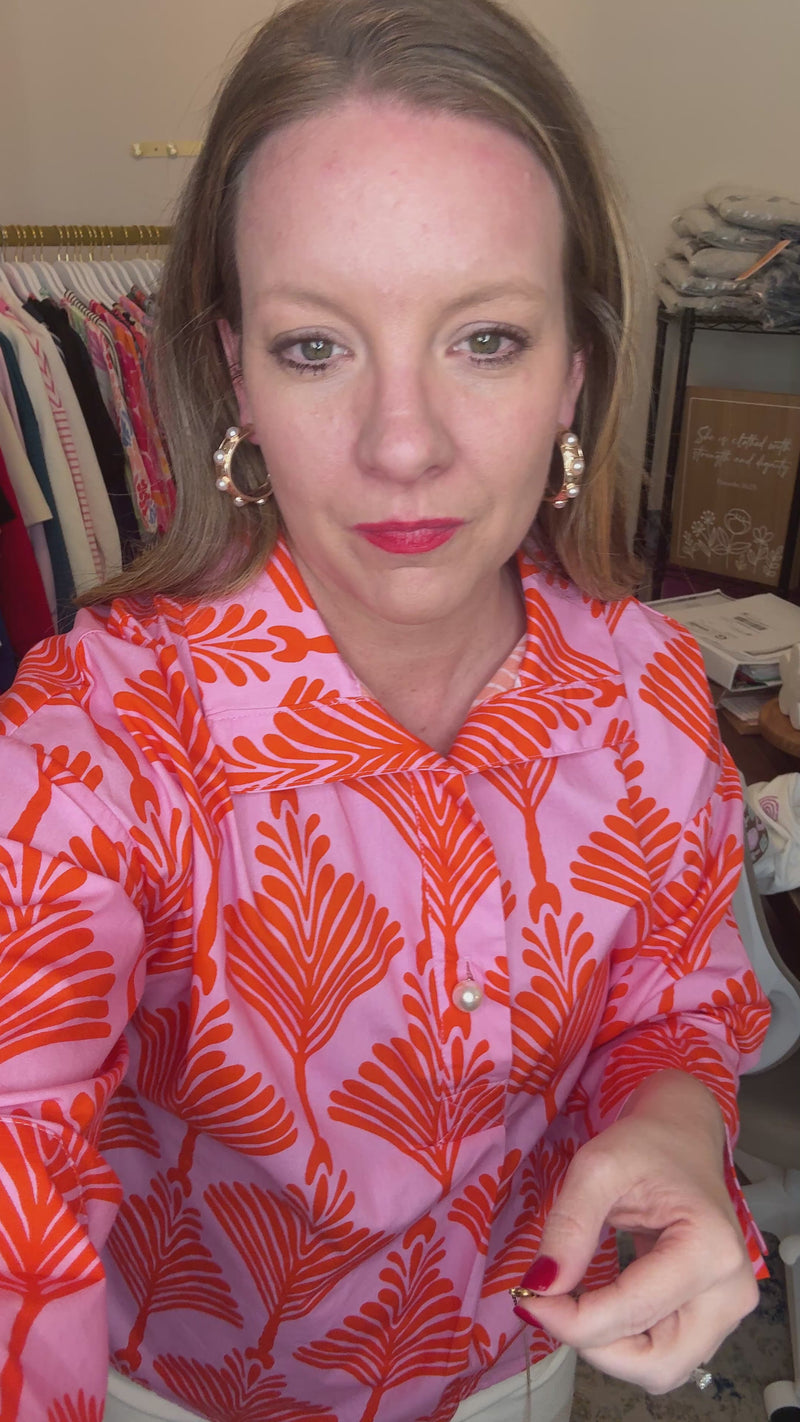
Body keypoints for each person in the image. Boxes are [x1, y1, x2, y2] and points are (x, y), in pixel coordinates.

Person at [0, 1, 770, 1419]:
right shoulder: (94, 750)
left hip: (527, 1367)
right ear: (234, 372)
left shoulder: (646, 692)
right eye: (316, 348)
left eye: (486, 338)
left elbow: (674, 997)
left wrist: (674, 1115)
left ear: (576, 373)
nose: (402, 444)